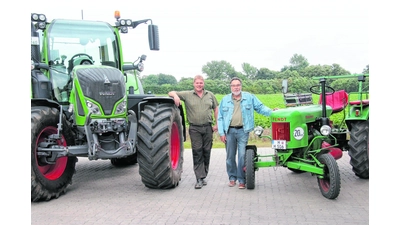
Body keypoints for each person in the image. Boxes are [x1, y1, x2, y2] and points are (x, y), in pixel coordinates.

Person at [217, 77, 274, 189]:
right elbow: (220, 117)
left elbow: (260, 107)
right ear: (230, 87)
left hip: (243, 130)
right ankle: (232, 178)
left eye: (238, 85)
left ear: (241, 86)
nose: (236, 87)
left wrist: (272, 112)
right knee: (230, 156)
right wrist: (221, 133)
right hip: (229, 131)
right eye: (233, 85)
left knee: (242, 155)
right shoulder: (225, 99)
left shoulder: (249, 97)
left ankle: (242, 180)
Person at [168, 75, 219, 189]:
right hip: (194, 128)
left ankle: (203, 174)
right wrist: (176, 96)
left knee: (206, 151)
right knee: (197, 152)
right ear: (193, 84)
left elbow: (216, 108)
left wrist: (217, 124)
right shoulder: (187, 95)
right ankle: (199, 178)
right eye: (197, 83)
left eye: (201, 83)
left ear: (203, 84)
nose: (199, 85)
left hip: (207, 128)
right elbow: (170, 92)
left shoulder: (210, 95)